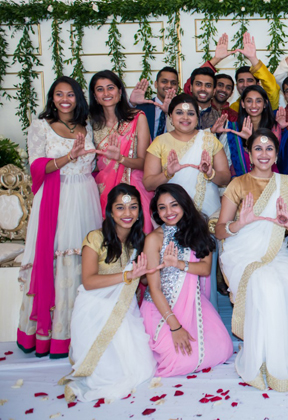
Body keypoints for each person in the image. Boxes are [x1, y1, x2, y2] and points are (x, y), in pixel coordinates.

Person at [17, 76, 102, 358]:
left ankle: (80, 332)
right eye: (58, 94)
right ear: (52, 98)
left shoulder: (86, 125)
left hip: (85, 196)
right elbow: (36, 167)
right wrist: (69, 156)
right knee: (59, 259)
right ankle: (52, 335)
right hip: (58, 198)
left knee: (85, 258)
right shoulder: (41, 127)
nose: (65, 99)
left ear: (78, 98)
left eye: (70, 94)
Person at [216, 129, 288, 392]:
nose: (263, 154)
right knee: (267, 285)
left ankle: (276, 360)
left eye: (269, 149)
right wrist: (239, 223)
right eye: (258, 149)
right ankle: (253, 362)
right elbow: (220, 230)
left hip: (276, 250)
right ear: (249, 154)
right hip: (241, 251)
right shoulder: (237, 184)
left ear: (276, 154)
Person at [62, 184, 156, 402]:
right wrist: (127, 276)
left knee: (142, 367)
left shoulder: (139, 240)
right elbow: (88, 281)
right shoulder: (95, 238)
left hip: (124, 309)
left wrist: (151, 271)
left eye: (133, 207)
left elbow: (140, 278)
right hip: (94, 308)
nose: (127, 214)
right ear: (110, 211)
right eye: (120, 208)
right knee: (106, 375)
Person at [141, 184, 233, 377]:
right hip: (161, 308)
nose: (169, 212)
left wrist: (178, 263)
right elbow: (155, 288)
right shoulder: (154, 239)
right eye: (162, 207)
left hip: (193, 304)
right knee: (178, 361)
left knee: (223, 348)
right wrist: (175, 327)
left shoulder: (198, 232)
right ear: (157, 212)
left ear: (184, 205)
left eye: (174, 205)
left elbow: (205, 269)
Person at [143, 94, 231, 217]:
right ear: (170, 116)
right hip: (172, 214)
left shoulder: (209, 140)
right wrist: (167, 174)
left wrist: (211, 174)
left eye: (190, 113)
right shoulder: (160, 142)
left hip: (208, 212)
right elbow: (148, 184)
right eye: (179, 113)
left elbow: (226, 178)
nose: (185, 117)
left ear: (197, 118)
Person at [89, 70, 153, 231]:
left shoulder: (137, 118)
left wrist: (120, 158)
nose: (106, 93)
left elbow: (145, 162)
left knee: (138, 240)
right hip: (104, 190)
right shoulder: (91, 125)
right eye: (100, 89)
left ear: (119, 91)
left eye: (110, 87)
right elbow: (93, 165)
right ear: (95, 96)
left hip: (135, 188)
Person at [186, 32, 280, 122]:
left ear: (258, 84)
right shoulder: (234, 108)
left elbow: (273, 89)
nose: (245, 84)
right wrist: (216, 59)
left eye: (250, 80)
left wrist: (253, 59)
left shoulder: (265, 102)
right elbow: (191, 86)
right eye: (241, 81)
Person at [214, 85, 288, 176]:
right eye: (249, 101)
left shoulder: (274, 127)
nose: (254, 105)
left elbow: (269, 157)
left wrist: (250, 140)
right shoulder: (233, 128)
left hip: (268, 179)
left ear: (265, 104)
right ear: (243, 104)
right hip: (240, 182)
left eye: (258, 101)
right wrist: (216, 134)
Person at [130, 67, 178, 139]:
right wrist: (132, 103)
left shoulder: (181, 111)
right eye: (164, 81)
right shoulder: (143, 108)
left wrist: (171, 112)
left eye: (173, 83)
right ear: (156, 84)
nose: (169, 85)